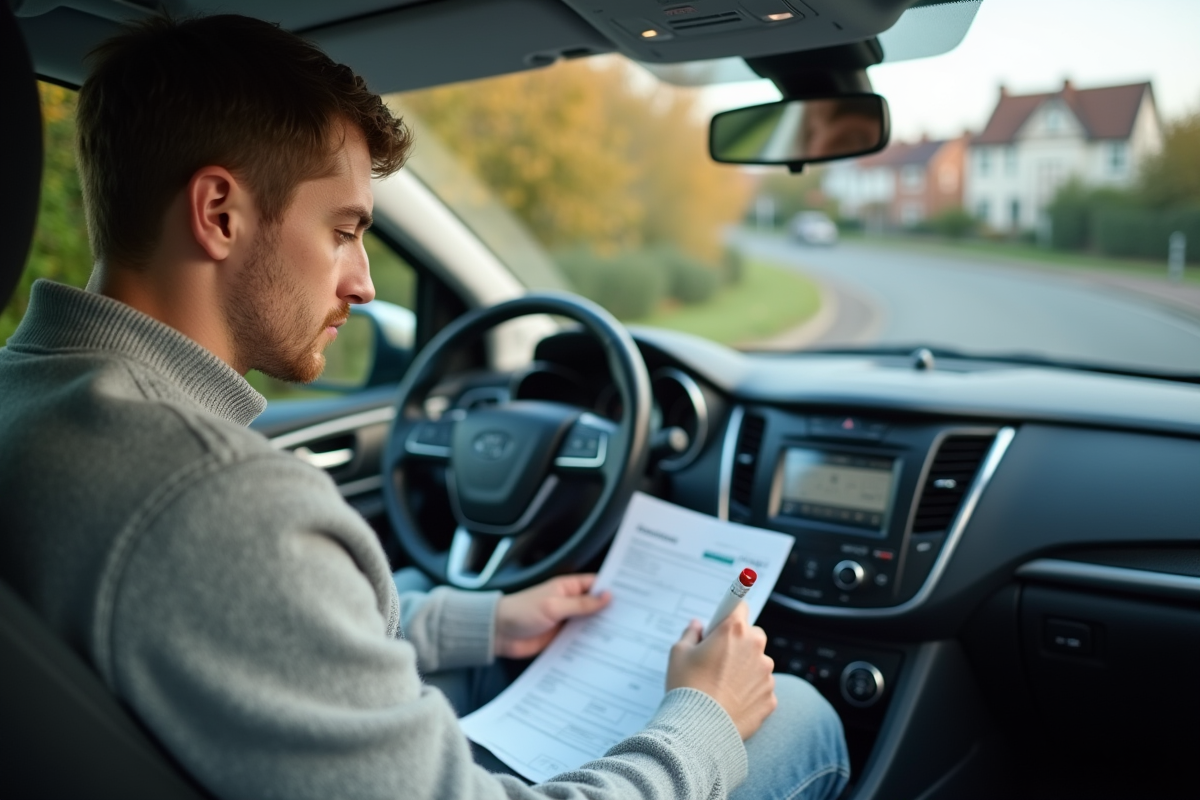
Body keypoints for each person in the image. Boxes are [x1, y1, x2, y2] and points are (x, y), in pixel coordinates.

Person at [0, 14, 849, 800]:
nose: (365, 283)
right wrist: (700, 723)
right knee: (802, 716)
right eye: (343, 231)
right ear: (219, 213)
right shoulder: (214, 499)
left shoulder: (30, 399)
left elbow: (249, 630)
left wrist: (483, 623)